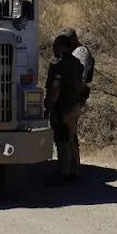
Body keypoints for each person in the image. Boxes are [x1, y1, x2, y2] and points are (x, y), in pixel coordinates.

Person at [44, 34, 84, 184]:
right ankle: (75, 169)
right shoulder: (77, 64)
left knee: (62, 140)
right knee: (71, 138)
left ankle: (65, 173)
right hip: (75, 106)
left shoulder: (59, 67)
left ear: (60, 47)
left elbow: (56, 90)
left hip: (62, 107)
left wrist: (48, 107)